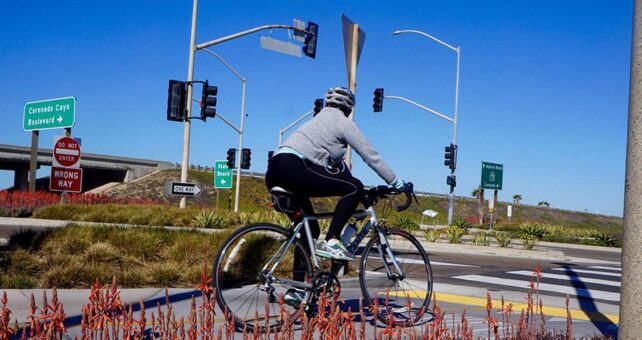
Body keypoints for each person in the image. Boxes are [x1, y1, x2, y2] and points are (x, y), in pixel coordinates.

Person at [265, 86, 405, 262]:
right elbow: (370, 155)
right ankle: (332, 240)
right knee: (355, 186)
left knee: (310, 230)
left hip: (274, 171)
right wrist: (396, 182)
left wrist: (361, 197)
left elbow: (341, 173)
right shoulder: (342, 123)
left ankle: (297, 289)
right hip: (294, 167)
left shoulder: (314, 123)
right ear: (348, 108)